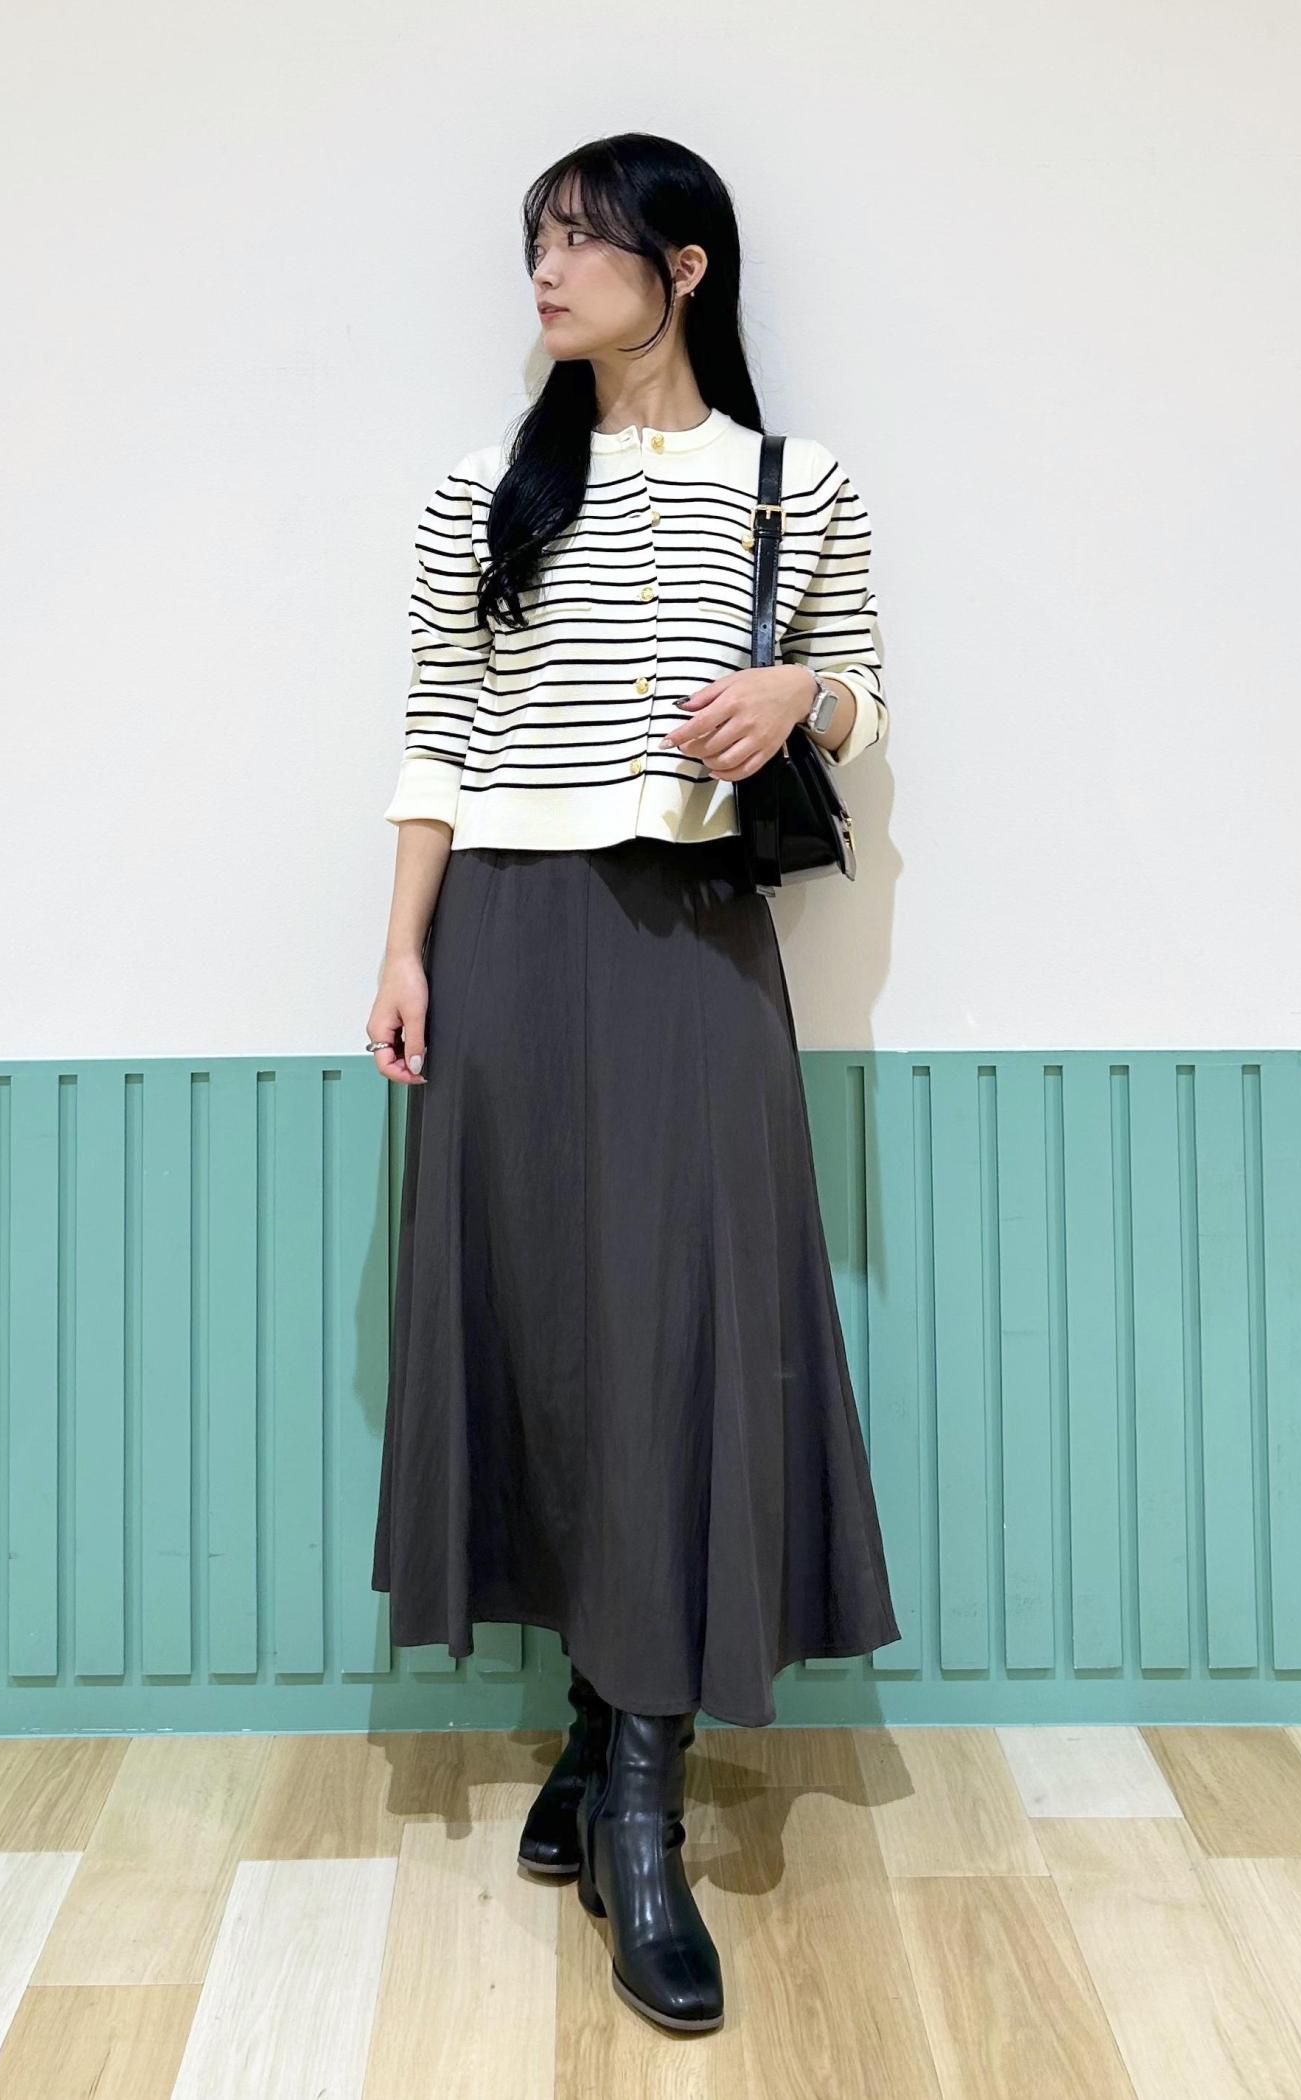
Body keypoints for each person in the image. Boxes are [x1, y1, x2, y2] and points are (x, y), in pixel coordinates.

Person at [365, 132, 901, 2036]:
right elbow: (438, 727)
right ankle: (600, 1728)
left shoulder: (793, 482)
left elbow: (865, 690)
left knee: (681, 1332)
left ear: (682, 268)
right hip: (509, 931)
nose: (542, 273)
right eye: (533, 242)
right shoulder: (484, 488)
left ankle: (641, 1807)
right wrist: (405, 946)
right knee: (555, 1332)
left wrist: (800, 698)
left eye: (578, 242)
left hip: (692, 942)